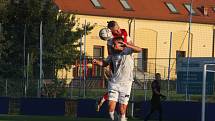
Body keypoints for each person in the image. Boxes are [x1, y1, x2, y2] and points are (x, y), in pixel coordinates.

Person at [93, 37, 141, 121]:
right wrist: (97, 62)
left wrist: (128, 45)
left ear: (121, 44)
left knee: (122, 110)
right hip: (114, 83)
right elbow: (105, 63)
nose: (113, 45)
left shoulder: (128, 51)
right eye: (113, 44)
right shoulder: (112, 54)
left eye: (115, 44)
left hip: (126, 84)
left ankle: (122, 118)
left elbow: (139, 50)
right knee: (111, 108)